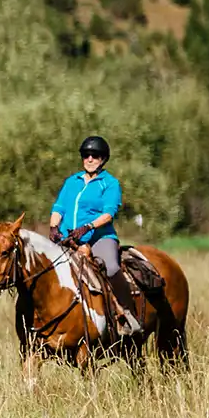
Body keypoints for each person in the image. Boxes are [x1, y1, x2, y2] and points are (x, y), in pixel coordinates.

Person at [49, 134, 139, 336]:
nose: (90, 159)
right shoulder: (72, 182)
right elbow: (59, 208)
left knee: (112, 268)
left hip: (99, 237)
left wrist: (87, 227)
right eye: (86, 155)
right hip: (67, 238)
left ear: (103, 159)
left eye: (95, 155)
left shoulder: (110, 183)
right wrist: (54, 227)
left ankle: (127, 313)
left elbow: (108, 213)